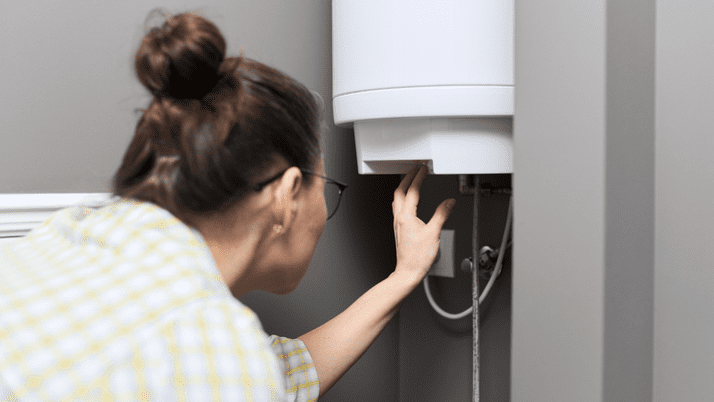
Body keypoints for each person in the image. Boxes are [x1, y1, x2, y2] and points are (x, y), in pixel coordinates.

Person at [0, 11, 455, 401]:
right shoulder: (211, 347)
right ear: (286, 195)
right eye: (327, 187)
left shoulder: (75, 232)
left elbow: (276, 374)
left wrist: (405, 276)